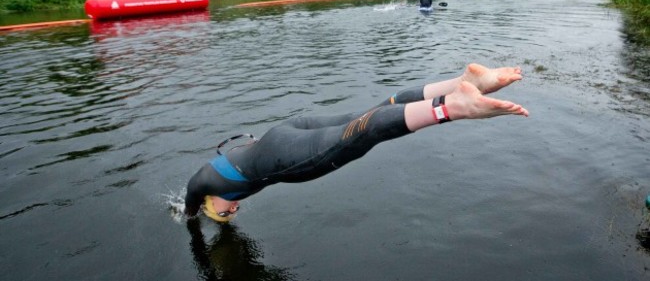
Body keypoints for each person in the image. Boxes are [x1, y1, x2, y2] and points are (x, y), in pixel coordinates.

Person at [184, 63, 529, 222]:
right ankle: (462, 81)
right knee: (375, 109)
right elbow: (196, 187)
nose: (235, 210)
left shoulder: (212, 184)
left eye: (227, 212)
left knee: (361, 132)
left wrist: (186, 215)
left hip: (281, 156)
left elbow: (190, 195)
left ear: (215, 202)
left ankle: (453, 106)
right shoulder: (215, 170)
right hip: (287, 130)